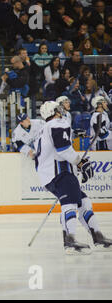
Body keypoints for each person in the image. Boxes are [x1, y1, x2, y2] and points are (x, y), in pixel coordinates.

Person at [34, 101, 112, 254]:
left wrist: (73, 134)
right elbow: (63, 149)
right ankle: (69, 240)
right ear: (53, 112)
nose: (60, 111)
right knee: (69, 203)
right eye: (58, 109)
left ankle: (97, 236)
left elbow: (55, 145)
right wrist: (80, 162)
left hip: (52, 175)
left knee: (84, 202)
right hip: (59, 173)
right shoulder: (57, 123)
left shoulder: (44, 129)